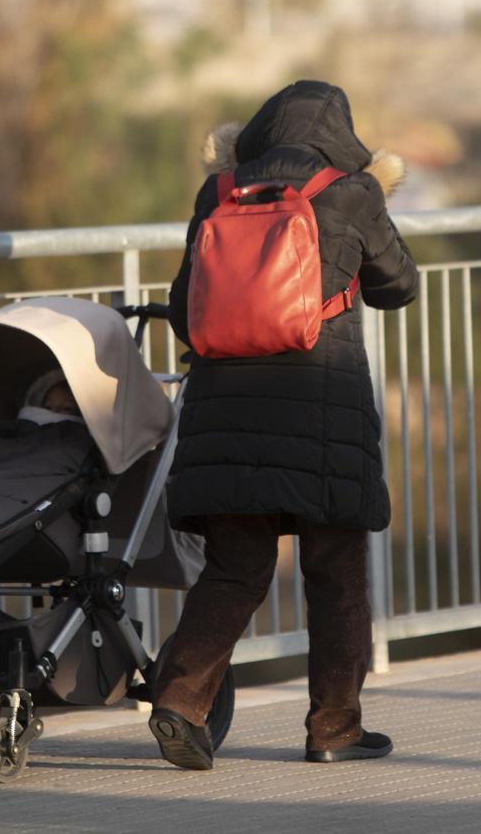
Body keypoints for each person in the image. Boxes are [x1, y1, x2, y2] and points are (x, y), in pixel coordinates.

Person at [148, 81, 418, 770]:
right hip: (321, 406)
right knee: (335, 569)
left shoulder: (221, 194)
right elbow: (399, 285)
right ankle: (334, 730)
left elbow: (185, 310)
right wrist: (372, 206)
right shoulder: (350, 191)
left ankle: (180, 701)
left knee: (236, 566)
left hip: (225, 412)